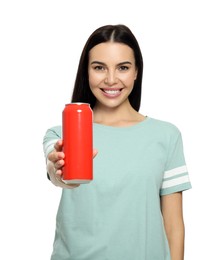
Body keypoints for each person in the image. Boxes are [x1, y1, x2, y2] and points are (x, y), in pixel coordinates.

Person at [43, 24, 191, 260]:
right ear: (86, 72)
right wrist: (59, 169)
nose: (111, 79)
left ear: (136, 72)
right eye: (99, 67)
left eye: (122, 67)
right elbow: (55, 171)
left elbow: (174, 229)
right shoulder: (60, 134)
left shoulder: (166, 136)